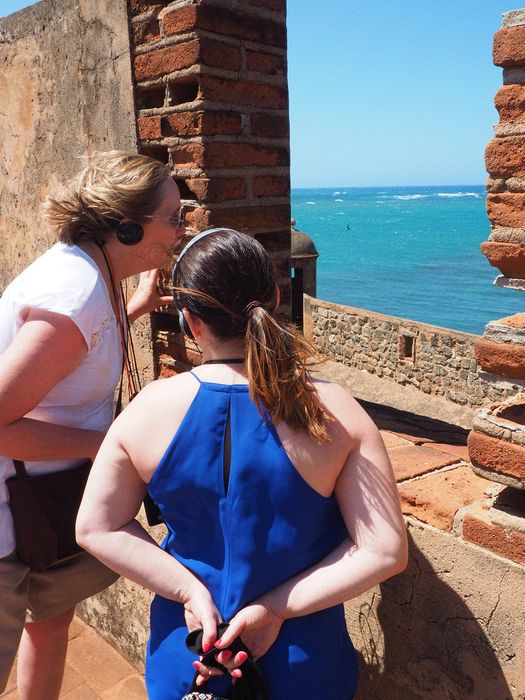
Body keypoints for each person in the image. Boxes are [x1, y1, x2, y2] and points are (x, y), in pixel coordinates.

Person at [76, 228, 408, 700]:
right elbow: (385, 551)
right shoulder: (335, 409)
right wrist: (273, 610)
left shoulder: (146, 411)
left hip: (191, 654)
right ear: (274, 297)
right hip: (304, 663)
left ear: (190, 321)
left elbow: (95, 528)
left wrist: (190, 593)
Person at [0, 150, 186, 700]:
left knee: (51, 622)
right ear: (127, 228)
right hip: (12, 516)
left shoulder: (89, 274)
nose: (181, 229)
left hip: (45, 500)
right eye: (173, 217)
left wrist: (133, 308)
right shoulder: (74, 295)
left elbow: (73, 358)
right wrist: (108, 443)